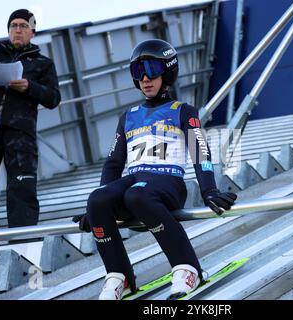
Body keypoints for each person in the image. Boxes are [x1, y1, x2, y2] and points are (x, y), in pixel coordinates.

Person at [73, 39, 237, 300]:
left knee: (137, 195)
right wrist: (95, 211)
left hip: (167, 182)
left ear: (168, 71)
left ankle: (188, 268)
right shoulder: (128, 116)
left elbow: (199, 150)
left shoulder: (182, 110)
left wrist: (209, 190)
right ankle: (119, 276)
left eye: (151, 70)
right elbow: (114, 163)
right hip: (135, 181)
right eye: (138, 72)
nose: (145, 79)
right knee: (97, 200)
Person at [0, 9, 61, 230]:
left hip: (20, 133)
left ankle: (23, 239)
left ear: (32, 32)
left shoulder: (43, 64)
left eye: (23, 26)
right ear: (9, 30)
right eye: (14, 25)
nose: (18, 29)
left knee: (22, 186)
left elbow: (54, 98)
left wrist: (29, 86)